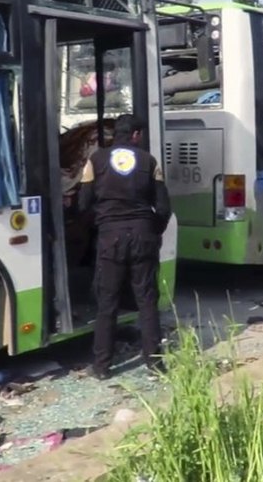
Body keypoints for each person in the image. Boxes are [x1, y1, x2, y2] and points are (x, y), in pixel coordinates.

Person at [77, 114, 172, 379]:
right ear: (136, 135)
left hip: (110, 238)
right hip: (143, 236)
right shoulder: (149, 161)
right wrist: (153, 230)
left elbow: (83, 204)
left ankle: (102, 366)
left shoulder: (95, 161)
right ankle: (154, 363)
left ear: (115, 134)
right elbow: (163, 207)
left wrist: (101, 225)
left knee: (107, 303)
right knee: (147, 301)